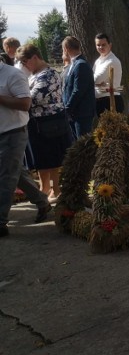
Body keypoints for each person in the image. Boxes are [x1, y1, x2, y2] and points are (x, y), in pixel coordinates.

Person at [16, 44, 73, 203]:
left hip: (51, 123)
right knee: (41, 159)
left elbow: (33, 98)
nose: (25, 65)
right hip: (38, 123)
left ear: (35, 57)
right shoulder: (34, 74)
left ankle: (56, 190)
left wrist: (18, 97)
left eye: (26, 61)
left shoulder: (50, 74)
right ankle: (45, 188)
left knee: (53, 157)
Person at [0, 58, 51, 236]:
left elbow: (25, 104)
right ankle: (42, 201)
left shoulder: (12, 75)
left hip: (13, 133)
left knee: (6, 177)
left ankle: (1, 222)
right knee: (16, 173)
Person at [62, 36, 96, 139]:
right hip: (74, 113)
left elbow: (78, 90)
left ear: (66, 48)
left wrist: (67, 108)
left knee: (83, 144)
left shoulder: (81, 65)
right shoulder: (74, 64)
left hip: (82, 113)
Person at [93, 33, 124, 115]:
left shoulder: (112, 61)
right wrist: (97, 84)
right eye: (98, 45)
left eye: (103, 45)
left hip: (111, 100)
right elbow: (93, 80)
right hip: (101, 101)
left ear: (110, 45)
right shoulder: (98, 61)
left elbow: (95, 79)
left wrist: (97, 84)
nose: (101, 47)